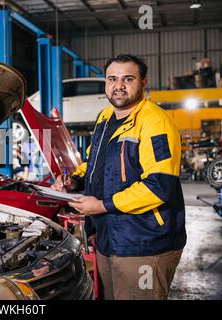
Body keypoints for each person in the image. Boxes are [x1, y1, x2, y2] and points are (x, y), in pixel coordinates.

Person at [52, 54, 186, 300]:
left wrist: (102, 205)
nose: (119, 86)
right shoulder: (105, 118)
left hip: (144, 243)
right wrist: (74, 180)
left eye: (128, 79)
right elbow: (94, 162)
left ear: (143, 83)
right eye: (112, 79)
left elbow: (159, 187)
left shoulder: (155, 123)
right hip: (108, 239)